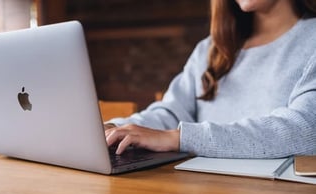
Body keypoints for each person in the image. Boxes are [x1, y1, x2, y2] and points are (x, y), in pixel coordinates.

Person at [104, 0, 316, 158]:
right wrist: (117, 128)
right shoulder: (211, 49)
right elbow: (171, 112)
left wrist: (179, 139)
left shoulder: (310, 39)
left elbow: (306, 131)